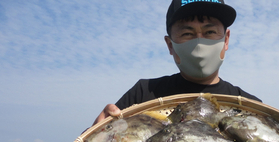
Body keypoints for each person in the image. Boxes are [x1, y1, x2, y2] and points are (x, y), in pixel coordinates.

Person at [93, 0, 260, 125]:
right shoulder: (143, 94)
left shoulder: (251, 107)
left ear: (226, 40)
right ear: (169, 44)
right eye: (187, 33)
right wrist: (96, 130)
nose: (199, 43)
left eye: (210, 32)